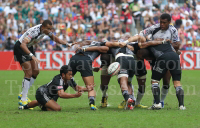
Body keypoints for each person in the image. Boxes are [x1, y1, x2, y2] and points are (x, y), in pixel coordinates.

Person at [123, 13, 181, 108]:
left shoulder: (173, 30)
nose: (161, 24)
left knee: (166, 81)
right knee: (154, 78)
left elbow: (177, 44)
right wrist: (148, 40)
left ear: (169, 22)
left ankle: (161, 101)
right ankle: (140, 70)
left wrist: (166, 43)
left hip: (167, 57)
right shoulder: (154, 28)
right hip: (156, 56)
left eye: (164, 23)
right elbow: (141, 34)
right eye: (160, 22)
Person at [14, 20, 72, 107]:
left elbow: (55, 38)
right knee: (28, 72)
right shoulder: (34, 32)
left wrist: (67, 44)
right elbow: (23, 44)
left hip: (29, 47)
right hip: (21, 48)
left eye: (51, 29)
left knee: (36, 71)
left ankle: (23, 93)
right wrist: (31, 56)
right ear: (43, 27)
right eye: (48, 29)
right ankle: (23, 99)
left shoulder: (45, 31)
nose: (50, 31)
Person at [18, 65, 90, 111]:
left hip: (50, 95)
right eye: (69, 74)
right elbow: (61, 94)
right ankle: (42, 105)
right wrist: (75, 95)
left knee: (42, 102)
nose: (71, 76)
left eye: (71, 74)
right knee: (57, 109)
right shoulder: (58, 80)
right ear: (63, 74)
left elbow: (76, 88)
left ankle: (25, 107)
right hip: (42, 92)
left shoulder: (70, 79)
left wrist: (87, 89)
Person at [69, 41, 109, 110]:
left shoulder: (86, 44)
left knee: (66, 78)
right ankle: (92, 104)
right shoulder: (99, 45)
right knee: (90, 86)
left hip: (74, 58)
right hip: (85, 60)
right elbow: (105, 49)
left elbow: (83, 42)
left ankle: (54, 96)